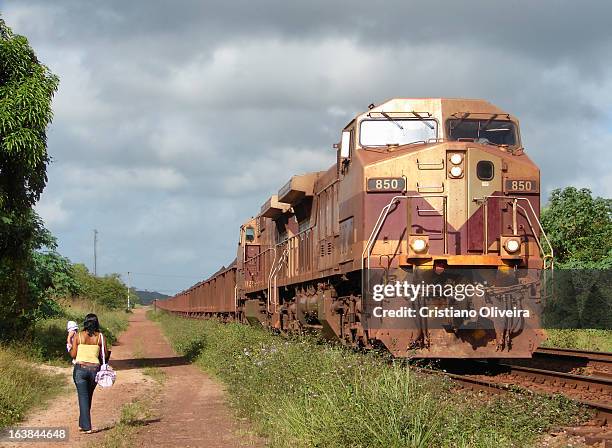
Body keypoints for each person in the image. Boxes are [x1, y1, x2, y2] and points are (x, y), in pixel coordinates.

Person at [69, 314, 109, 433]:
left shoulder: (78, 336)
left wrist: (70, 344)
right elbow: (105, 355)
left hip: (80, 369)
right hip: (94, 370)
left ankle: (86, 426)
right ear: (97, 323)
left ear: (85, 323)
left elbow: (73, 355)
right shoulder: (101, 337)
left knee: (83, 397)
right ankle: (82, 423)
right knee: (87, 396)